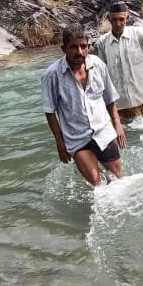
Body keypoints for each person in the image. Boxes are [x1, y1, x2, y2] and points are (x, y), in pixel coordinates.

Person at [41, 23, 127, 185]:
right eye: (73, 47)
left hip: (103, 131)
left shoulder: (98, 65)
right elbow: (49, 111)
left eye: (83, 46)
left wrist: (117, 124)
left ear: (89, 46)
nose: (80, 52)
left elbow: (109, 98)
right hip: (77, 137)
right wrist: (59, 141)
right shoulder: (52, 75)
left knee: (117, 179)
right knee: (98, 184)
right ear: (63, 48)